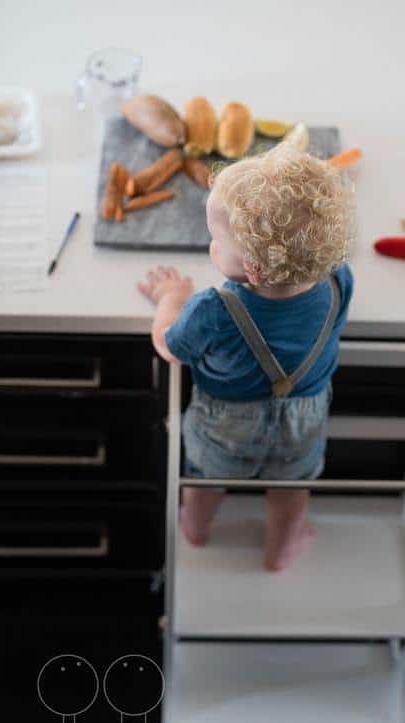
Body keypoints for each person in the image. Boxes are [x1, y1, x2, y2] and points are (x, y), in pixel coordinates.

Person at [138, 142, 355, 571]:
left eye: (216, 240)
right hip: (305, 419)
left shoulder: (212, 310)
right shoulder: (337, 280)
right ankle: (281, 550)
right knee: (292, 490)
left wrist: (171, 296)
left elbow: (168, 344)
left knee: (206, 479)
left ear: (251, 269)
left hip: (226, 423)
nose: (212, 246)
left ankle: (195, 528)